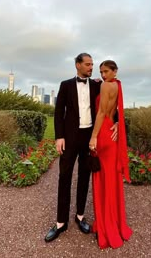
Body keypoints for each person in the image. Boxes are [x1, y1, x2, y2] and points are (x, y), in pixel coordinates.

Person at [44, 53, 118, 242]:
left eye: (92, 64)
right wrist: (59, 136)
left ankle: (80, 216)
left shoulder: (96, 85)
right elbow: (59, 111)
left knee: (85, 177)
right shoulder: (65, 85)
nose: (91, 67)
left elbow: (111, 104)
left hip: (90, 138)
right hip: (69, 138)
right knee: (64, 177)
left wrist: (116, 122)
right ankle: (61, 222)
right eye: (87, 64)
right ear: (77, 65)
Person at [89, 60, 133, 249]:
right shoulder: (116, 85)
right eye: (101, 71)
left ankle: (106, 226)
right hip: (111, 133)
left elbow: (101, 113)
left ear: (115, 71)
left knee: (102, 180)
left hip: (103, 134)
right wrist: (116, 123)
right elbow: (115, 110)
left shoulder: (107, 85)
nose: (103, 74)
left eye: (106, 71)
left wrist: (93, 137)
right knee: (111, 180)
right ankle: (113, 222)